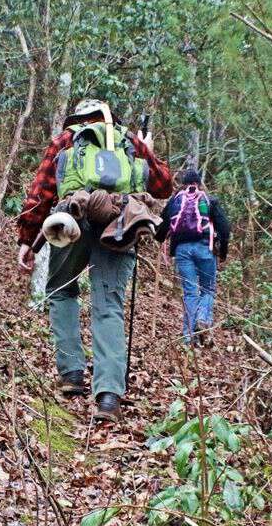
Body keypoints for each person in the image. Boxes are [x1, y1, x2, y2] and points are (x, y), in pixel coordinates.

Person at [17, 99, 172, 422]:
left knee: (62, 290)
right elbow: (163, 186)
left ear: (77, 119)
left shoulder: (66, 140)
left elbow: (42, 192)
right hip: (121, 221)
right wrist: (147, 149)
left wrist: (28, 239)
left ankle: (72, 374)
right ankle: (108, 396)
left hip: (73, 218)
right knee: (109, 306)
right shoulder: (129, 141)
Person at [156, 168, 230, 346]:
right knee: (208, 290)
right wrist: (223, 252)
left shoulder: (175, 200)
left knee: (190, 293)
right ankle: (203, 319)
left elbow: (161, 228)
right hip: (205, 249)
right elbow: (225, 229)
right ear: (198, 183)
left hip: (182, 251)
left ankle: (189, 338)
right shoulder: (209, 201)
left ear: (183, 184)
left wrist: (160, 238)